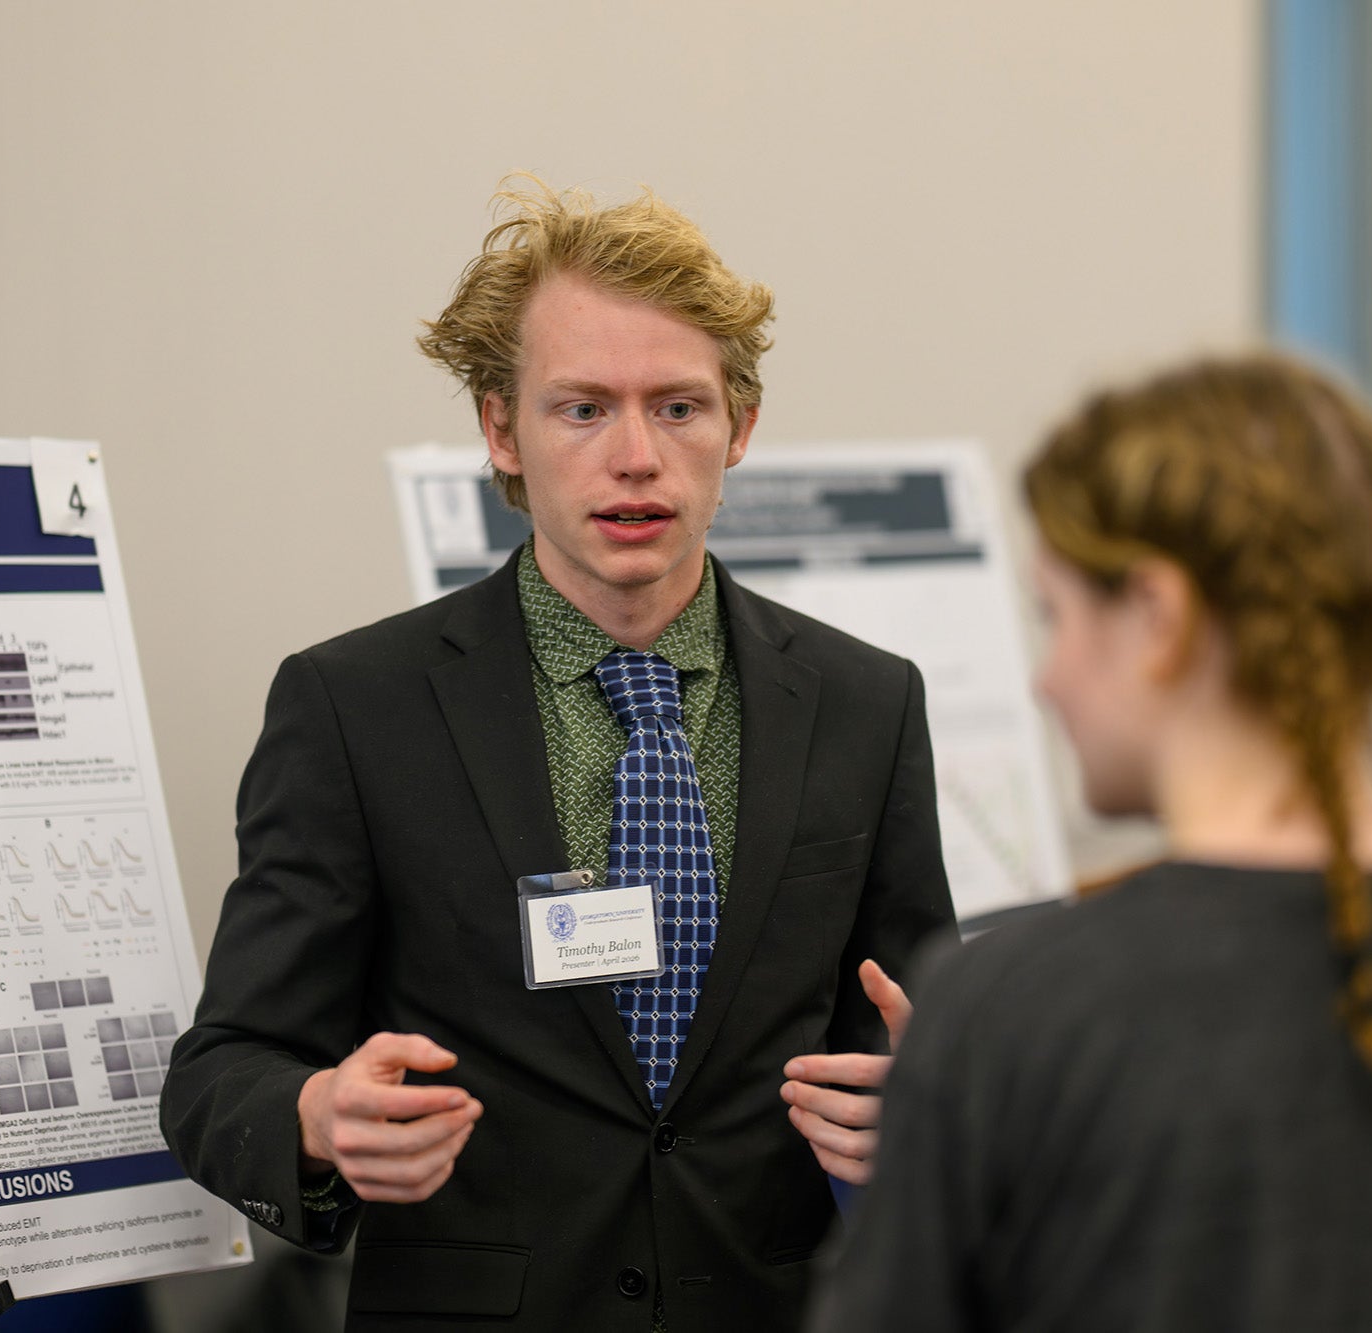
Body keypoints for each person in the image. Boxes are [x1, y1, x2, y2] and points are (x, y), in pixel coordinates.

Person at [162, 179, 954, 1331]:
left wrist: (930, 1107)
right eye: (581, 409)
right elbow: (221, 1069)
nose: (635, 457)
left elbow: (912, 1037)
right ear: (501, 431)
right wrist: (318, 1114)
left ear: (738, 427)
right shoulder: (354, 706)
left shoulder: (863, 702)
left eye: (677, 408)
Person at [814, 354, 1372, 1331]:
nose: (1045, 678)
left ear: (1158, 617)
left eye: (1058, 615)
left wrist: (953, 1101)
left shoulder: (1018, 1015)